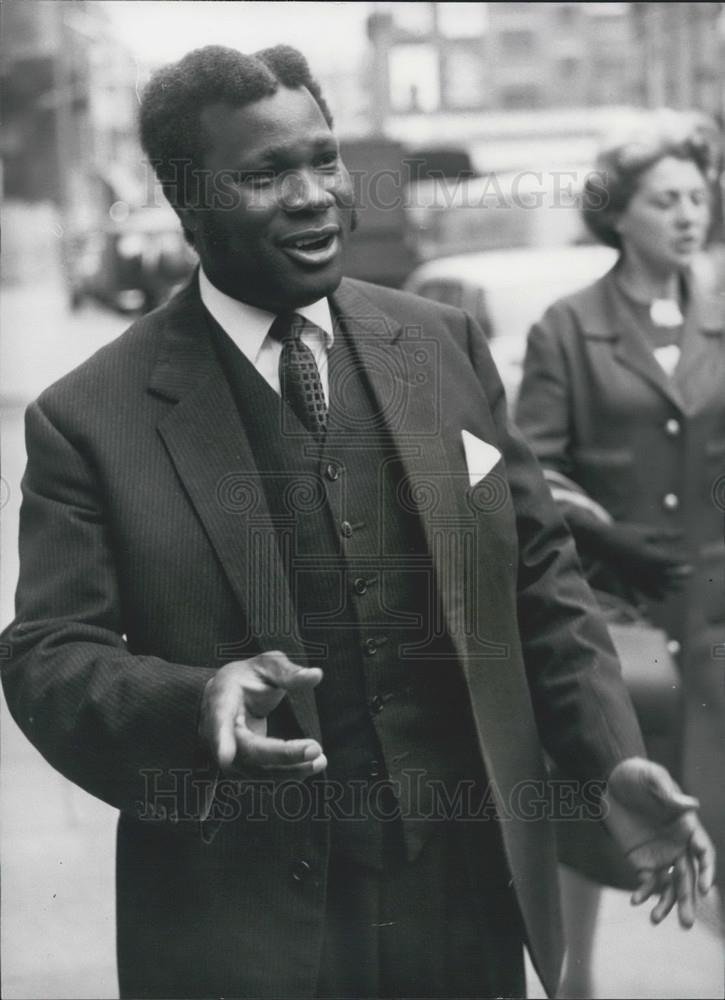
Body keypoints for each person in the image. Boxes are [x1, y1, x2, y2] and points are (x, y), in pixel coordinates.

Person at [1, 48, 716, 1000]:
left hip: (464, 896)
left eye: (324, 160)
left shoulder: (440, 343)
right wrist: (192, 699)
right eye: (263, 175)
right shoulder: (89, 417)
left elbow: (538, 574)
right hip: (246, 924)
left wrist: (610, 755)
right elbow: (48, 652)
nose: (312, 196)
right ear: (184, 202)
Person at [515, 111, 725, 998]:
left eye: (698, 196)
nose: (689, 214)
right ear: (618, 214)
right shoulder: (567, 328)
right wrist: (603, 538)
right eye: (664, 199)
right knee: (597, 819)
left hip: (716, 613)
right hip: (618, 623)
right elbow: (527, 469)